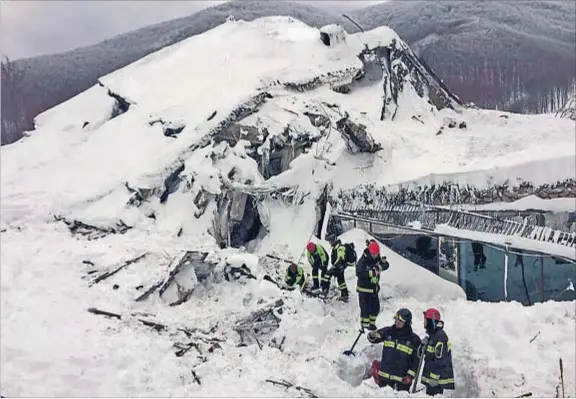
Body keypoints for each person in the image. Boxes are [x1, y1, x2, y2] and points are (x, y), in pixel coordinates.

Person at [367, 308, 422, 392]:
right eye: (396, 319)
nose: (397, 322)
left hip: (401, 382)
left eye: (400, 320)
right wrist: (372, 335)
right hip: (384, 379)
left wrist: (410, 376)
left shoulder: (414, 340)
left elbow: (415, 361)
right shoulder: (388, 332)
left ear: (407, 323)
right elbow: (373, 338)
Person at [420, 308, 455, 396]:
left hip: (436, 380)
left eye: (425, 320)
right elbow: (425, 355)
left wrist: (434, 377)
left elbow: (441, 360)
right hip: (432, 378)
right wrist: (422, 345)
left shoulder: (440, 336)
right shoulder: (433, 335)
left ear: (431, 321)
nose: (424, 322)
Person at [356, 239, 389, 330]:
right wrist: (372, 272)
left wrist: (381, 266)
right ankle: (365, 327)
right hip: (364, 289)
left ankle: (371, 324)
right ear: (370, 252)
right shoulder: (363, 260)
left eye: (377, 254)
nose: (375, 256)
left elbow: (386, 265)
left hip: (374, 289)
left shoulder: (377, 257)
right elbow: (359, 273)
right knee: (365, 310)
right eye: (374, 254)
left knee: (375, 308)